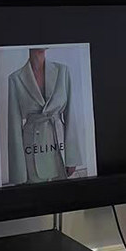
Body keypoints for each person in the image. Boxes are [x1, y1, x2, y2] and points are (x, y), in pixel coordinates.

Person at [7, 48, 81, 185]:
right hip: (31, 150)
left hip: (59, 146)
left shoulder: (63, 71)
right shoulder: (15, 79)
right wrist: (19, 172)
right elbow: (13, 127)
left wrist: (72, 158)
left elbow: (71, 114)